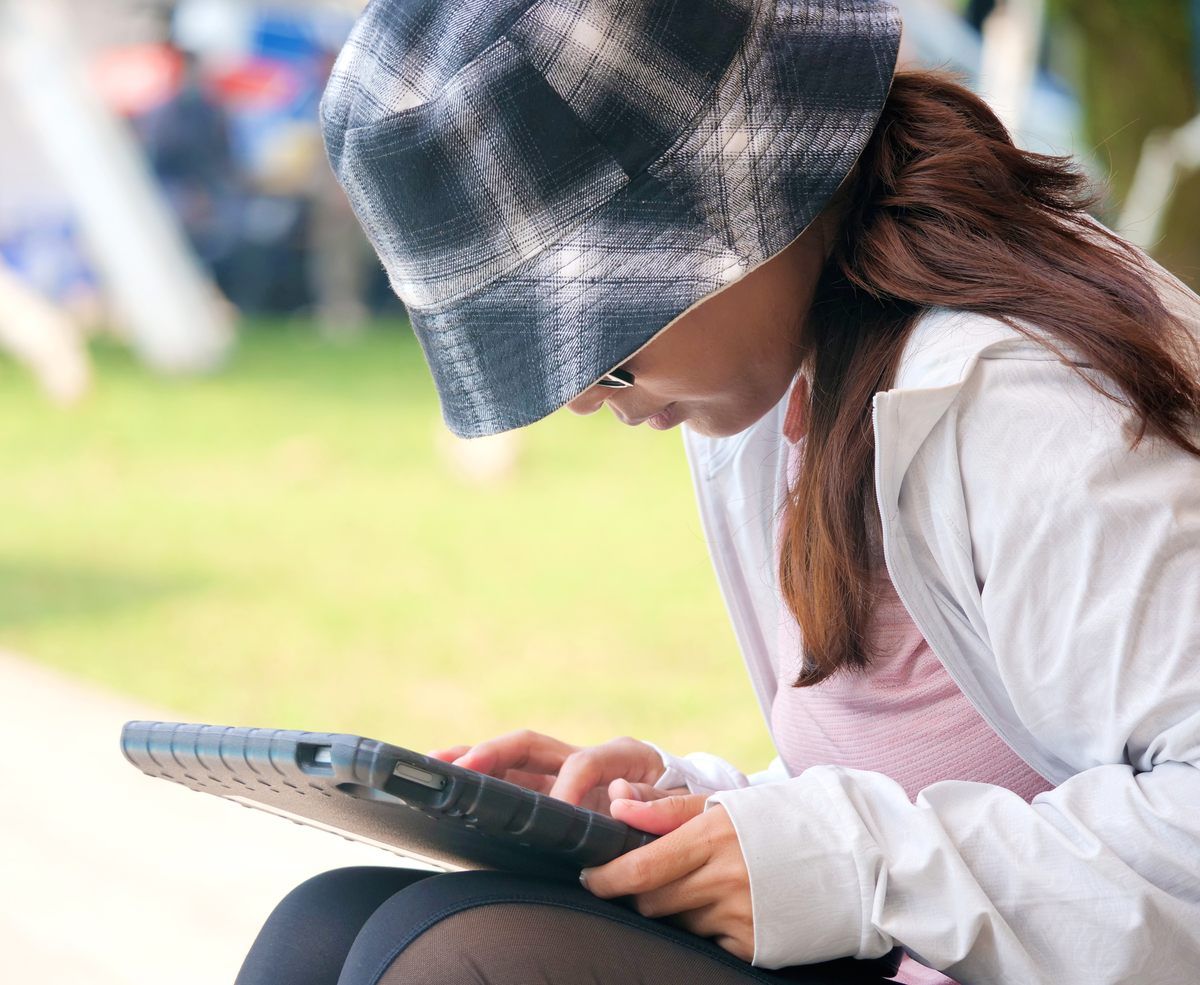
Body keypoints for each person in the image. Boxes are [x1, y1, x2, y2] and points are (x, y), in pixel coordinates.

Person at [235, 1, 1200, 983]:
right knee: (329, 925)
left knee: (451, 959)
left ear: (739, 213)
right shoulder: (777, 385)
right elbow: (938, 785)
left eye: (603, 346)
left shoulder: (1023, 396)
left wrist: (837, 863)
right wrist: (696, 814)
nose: (575, 396)